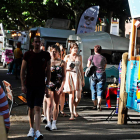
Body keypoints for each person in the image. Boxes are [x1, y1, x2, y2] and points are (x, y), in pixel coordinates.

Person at [20, 36, 51, 140]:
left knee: (38, 108)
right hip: (29, 84)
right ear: (32, 43)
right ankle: (31, 128)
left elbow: (48, 71)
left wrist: (47, 85)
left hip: (41, 85)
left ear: (41, 43)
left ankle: (38, 131)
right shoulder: (27, 54)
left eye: (39, 42)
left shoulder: (46, 55)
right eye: (36, 42)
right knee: (31, 108)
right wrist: (23, 85)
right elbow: (23, 70)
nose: (37, 44)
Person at [44, 44, 66, 130]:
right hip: (49, 84)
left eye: (55, 52)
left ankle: (54, 122)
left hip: (58, 85)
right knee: (49, 104)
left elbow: (64, 76)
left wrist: (62, 87)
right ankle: (48, 122)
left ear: (58, 53)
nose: (53, 53)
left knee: (57, 104)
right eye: (52, 51)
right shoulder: (47, 62)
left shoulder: (62, 63)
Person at [63, 43, 85, 120]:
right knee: (71, 96)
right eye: (74, 48)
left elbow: (81, 68)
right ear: (71, 49)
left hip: (78, 77)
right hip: (70, 76)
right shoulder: (67, 57)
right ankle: (71, 114)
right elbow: (62, 67)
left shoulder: (79, 57)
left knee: (78, 97)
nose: (76, 49)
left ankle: (74, 107)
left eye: (77, 48)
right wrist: (68, 69)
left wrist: (83, 79)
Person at [87, 45, 107, 111]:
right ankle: (99, 104)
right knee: (100, 89)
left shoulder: (91, 57)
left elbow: (88, 65)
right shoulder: (103, 58)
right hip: (101, 74)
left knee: (93, 89)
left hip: (93, 74)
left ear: (94, 50)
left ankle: (95, 105)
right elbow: (104, 67)